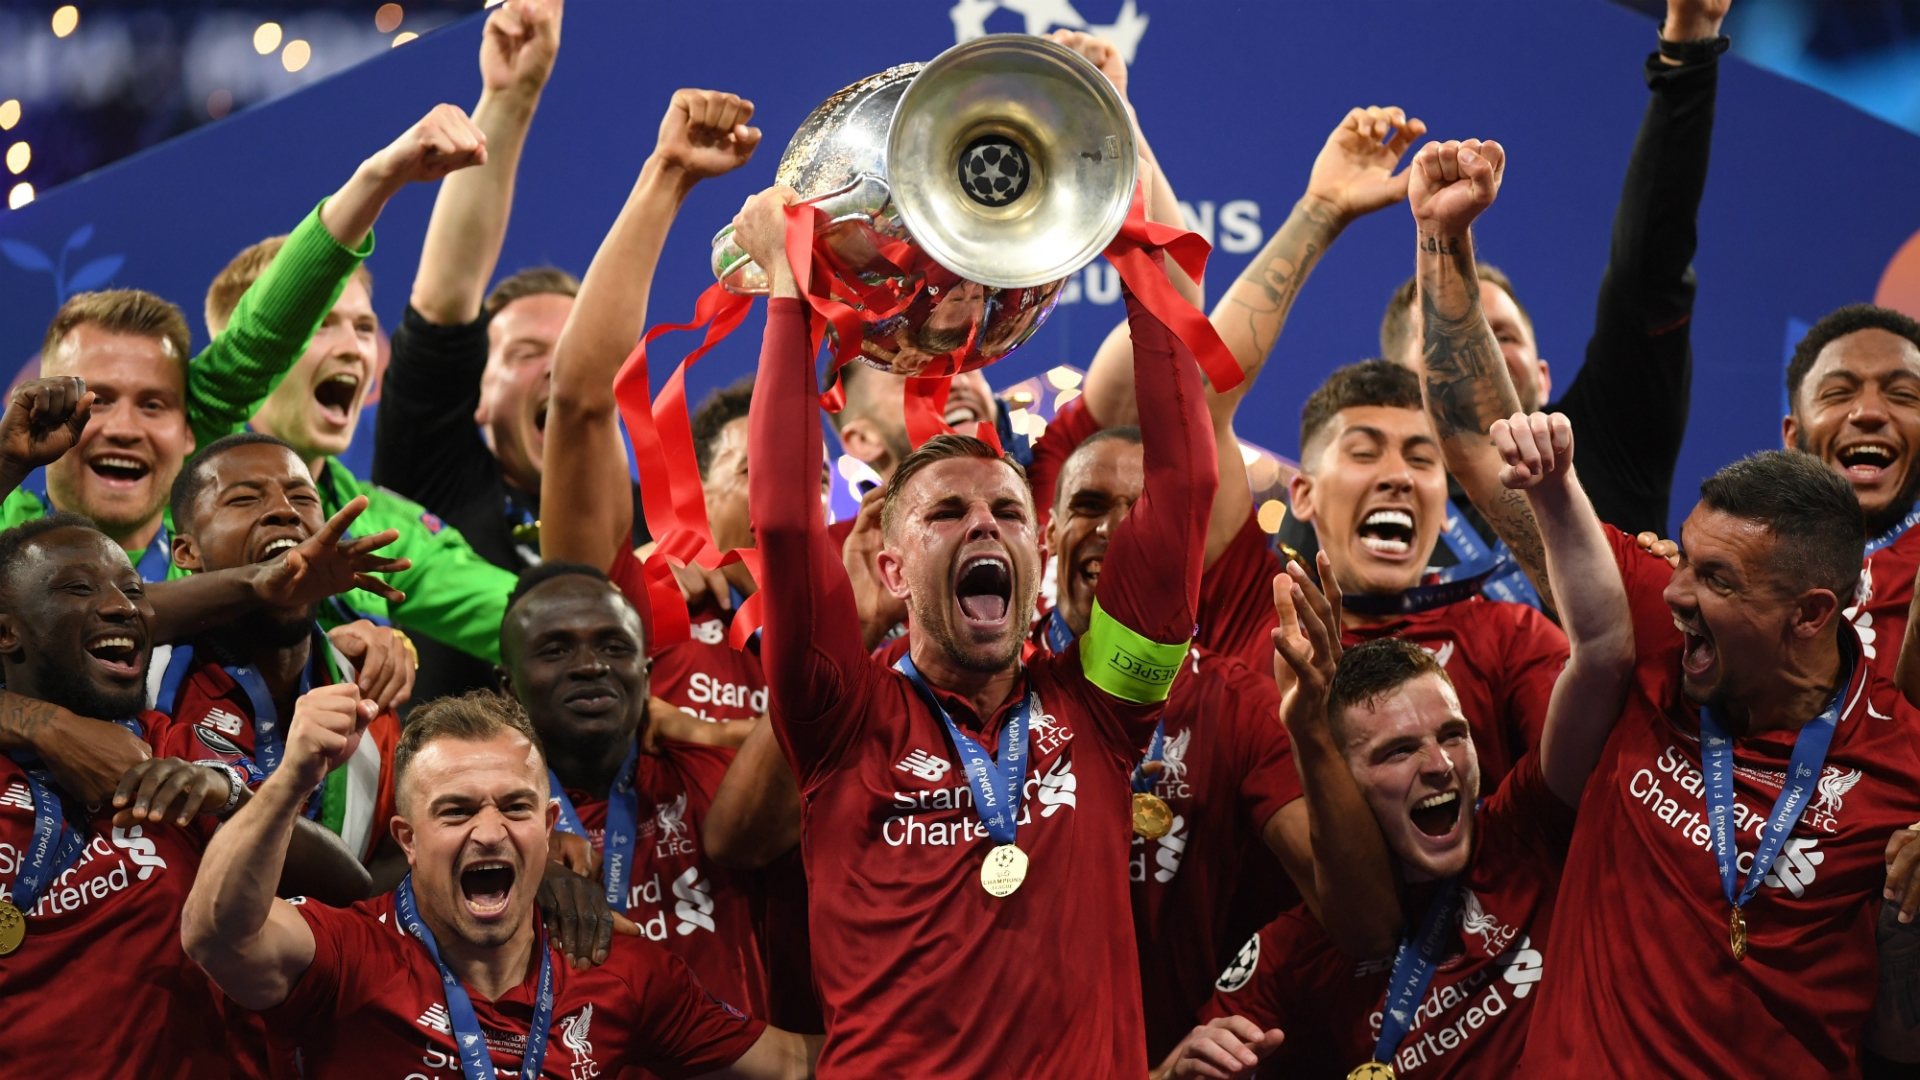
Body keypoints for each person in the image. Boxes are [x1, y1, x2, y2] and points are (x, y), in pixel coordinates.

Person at [737, 149, 1215, 1074]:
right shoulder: (838, 717)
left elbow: (1184, 483)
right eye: (945, 514)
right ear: (891, 565)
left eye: (1004, 512)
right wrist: (790, 301)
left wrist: (1141, 263)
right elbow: (788, 522)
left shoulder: (1105, 709)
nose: (982, 527)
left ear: (1035, 554)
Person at [1167, 409, 1634, 1078]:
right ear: (1341, 784)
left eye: (1453, 735)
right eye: (1395, 752)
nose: (1440, 765)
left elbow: (1602, 657)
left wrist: (1555, 492)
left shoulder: (1524, 838)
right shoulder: (1294, 952)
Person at [1279, 0, 1729, 588]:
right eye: (1445, 333)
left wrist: (1689, 48)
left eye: (1504, 336)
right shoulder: (1346, 510)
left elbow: (1649, 272)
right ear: (1400, 382)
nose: (1479, 349)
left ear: (1543, 375)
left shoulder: (1605, 445)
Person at [181, 687, 819, 1079]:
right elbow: (215, 935)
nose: (489, 832)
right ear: (407, 838)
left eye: (514, 808)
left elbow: (792, 1063)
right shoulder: (346, 954)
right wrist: (293, 777)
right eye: (456, 811)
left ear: (547, 827)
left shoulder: (621, 971)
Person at [0, 101, 486, 589]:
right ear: (43, 412)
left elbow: (264, 336)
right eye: (96, 401)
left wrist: (378, 178)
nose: (125, 428)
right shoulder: (9, 539)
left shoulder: (230, 546)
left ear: (190, 431)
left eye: (153, 405)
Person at [0, 513, 369, 1080]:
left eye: (134, 590)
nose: (125, 607)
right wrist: (44, 725)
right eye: (78, 588)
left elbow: (352, 891)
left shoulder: (178, 746)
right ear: (6, 633)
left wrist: (235, 800)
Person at [207, 166, 526, 703]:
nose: (355, 348)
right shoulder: (175, 485)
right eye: (322, 324)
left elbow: (523, 616)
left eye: (361, 327)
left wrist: (638, 595)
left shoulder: (377, 521)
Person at [497, 561, 768, 1013]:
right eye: (555, 650)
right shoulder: (482, 825)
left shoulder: (718, 779)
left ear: (645, 676)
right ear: (508, 688)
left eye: (613, 645)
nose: (590, 665)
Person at [164, 432, 415, 869]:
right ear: (187, 552)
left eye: (303, 497)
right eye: (243, 499)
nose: (284, 510)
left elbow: (400, 862)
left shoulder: (371, 699)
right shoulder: (145, 684)